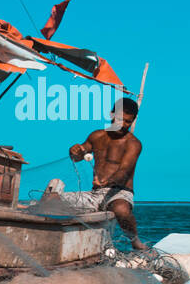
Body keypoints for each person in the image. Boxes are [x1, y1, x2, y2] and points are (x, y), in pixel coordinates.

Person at [44, 96, 145, 249]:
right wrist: (75, 150)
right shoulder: (97, 136)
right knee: (51, 199)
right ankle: (52, 240)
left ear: (133, 120)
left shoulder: (133, 144)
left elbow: (124, 172)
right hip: (95, 194)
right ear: (111, 114)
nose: (123, 125)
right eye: (120, 119)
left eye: (128, 121)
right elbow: (78, 156)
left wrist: (107, 181)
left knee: (121, 210)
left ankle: (135, 242)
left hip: (119, 192)